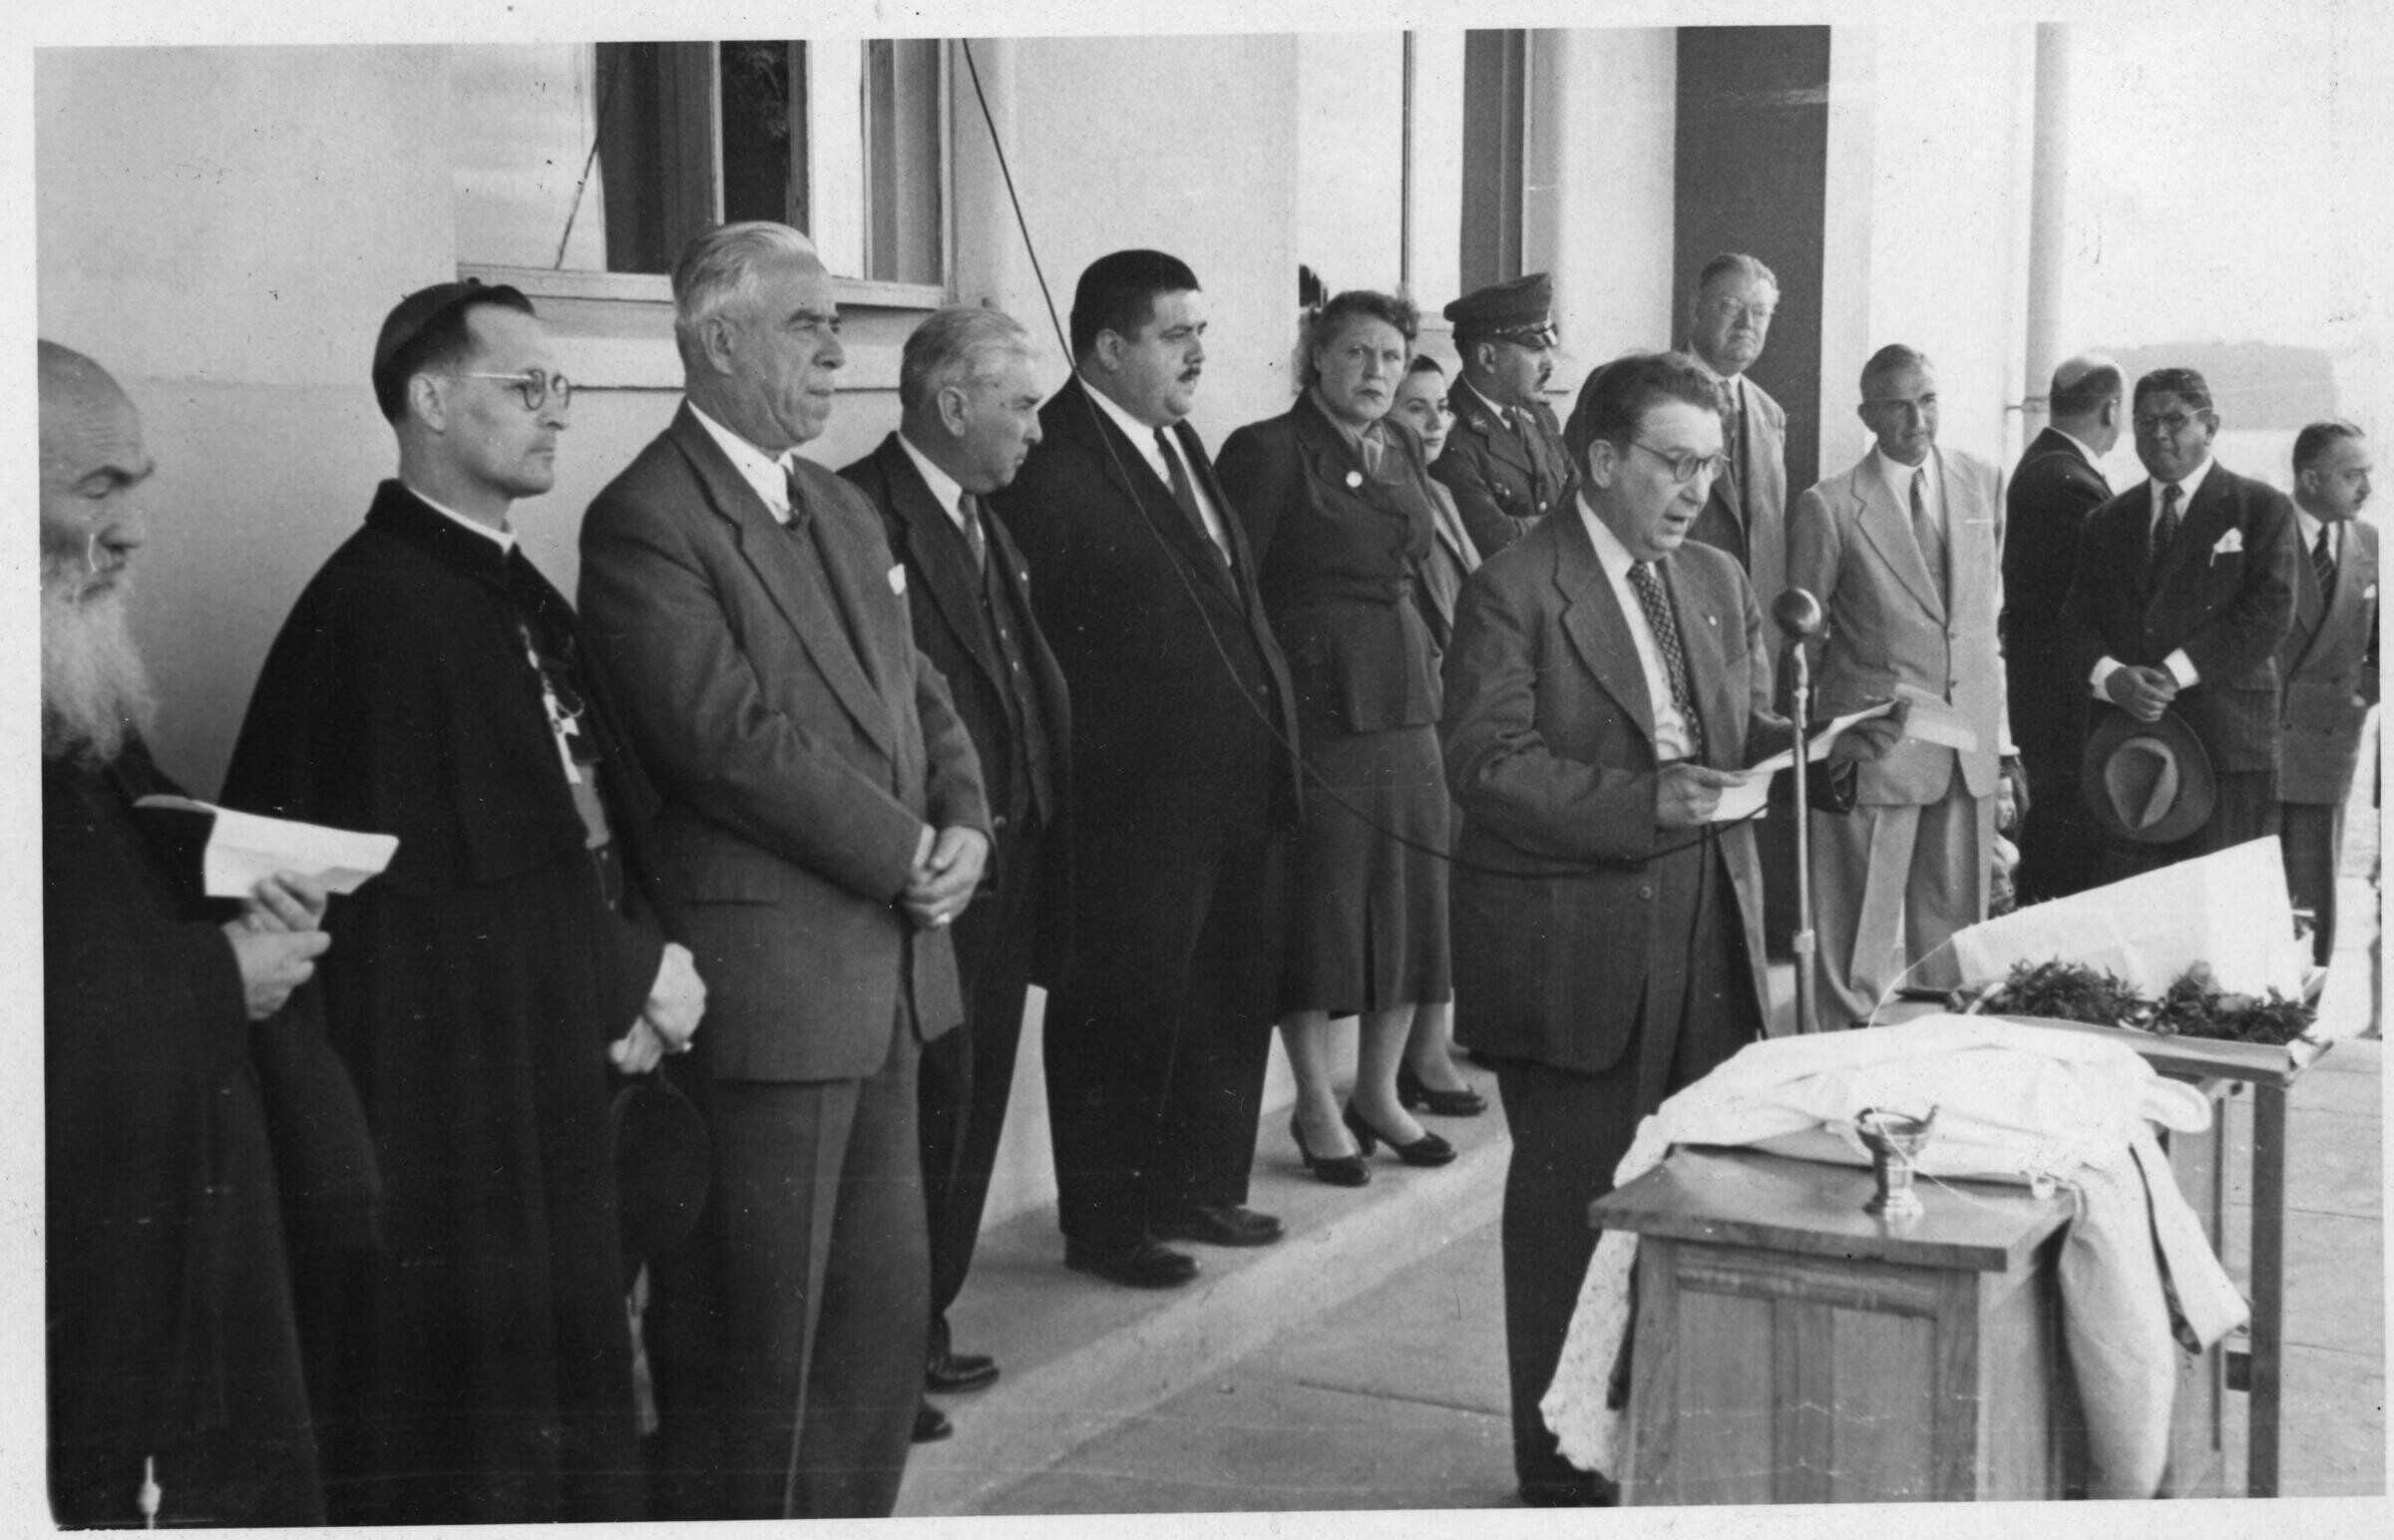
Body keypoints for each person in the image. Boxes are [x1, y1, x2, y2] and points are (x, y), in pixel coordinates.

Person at [221, 281, 703, 1523]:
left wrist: (642, 973)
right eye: (525, 387)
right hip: (463, 1120)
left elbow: (577, 823)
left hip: (566, 1066)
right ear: (430, 402)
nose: (557, 413)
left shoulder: (494, 583)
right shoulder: (382, 611)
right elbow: (425, 912)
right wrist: (627, 978)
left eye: (563, 388)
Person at [577, 222, 990, 1519]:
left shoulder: (846, 503)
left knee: (870, 1360)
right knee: (750, 1367)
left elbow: (919, 692)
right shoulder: (647, 519)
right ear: (717, 339)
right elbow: (723, 743)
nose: (837, 346)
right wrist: (907, 850)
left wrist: (966, 817)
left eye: (837, 324)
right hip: (773, 1000)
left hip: (889, 984)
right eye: (807, 322)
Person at [1442, 350, 1898, 1506]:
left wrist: (1824, 753)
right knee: (1575, 1214)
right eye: (1675, 462)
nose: (1698, 485)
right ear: (1600, 460)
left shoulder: (1710, 573)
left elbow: (1730, 728)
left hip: (1709, 932)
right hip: (1577, 944)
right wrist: (1642, 802)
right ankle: (1559, 1470)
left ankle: (1664, 1444)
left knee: (1699, 1206)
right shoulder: (1514, 585)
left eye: (1708, 463)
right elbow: (1485, 763)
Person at [42, 341, 375, 1528]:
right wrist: (218, 976)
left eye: (138, 486)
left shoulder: (57, 684)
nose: (131, 531)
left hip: (188, 1209)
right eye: (96, 489)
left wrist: (247, 893)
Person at [993, 249, 1300, 1289]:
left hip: (1233, 784)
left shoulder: (1180, 440)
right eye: (1177, 335)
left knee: (1223, 992)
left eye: (1200, 332)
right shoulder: (1051, 458)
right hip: (1130, 806)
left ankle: (1193, 1187)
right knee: (1121, 1005)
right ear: (1109, 346)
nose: (1200, 353)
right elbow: (1029, 642)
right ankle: (1108, 1219)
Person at [838, 306, 1070, 1444]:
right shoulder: (858, 512)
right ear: (951, 404)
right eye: (1021, 404)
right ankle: (892, 1349)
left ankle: (924, 1321)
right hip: (930, 866)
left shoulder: (983, 517)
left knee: (968, 1105)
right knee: (924, 1108)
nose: (1037, 425)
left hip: (1006, 855)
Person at [1218, 291, 1458, 1186]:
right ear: (1315, 357)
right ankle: (1317, 1105)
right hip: (1317, 705)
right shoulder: (1267, 451)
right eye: (1358, 354)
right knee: (1323, 904)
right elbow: (1236, 591)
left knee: (1410, 900)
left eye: (1393, 358)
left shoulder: (1397, 444)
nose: (1377, 375)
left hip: (1404, 693)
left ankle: (1380, 1093)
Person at [1787, 344, 2019, 1025]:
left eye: (1928, 400)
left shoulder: (1983, 483)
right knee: (1855, 941)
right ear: (1867, 414)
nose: (1916, 419)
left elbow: (1979, 624)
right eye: (1896, 404)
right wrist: (1835, 739)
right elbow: (1802, 636)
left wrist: (2000, 747)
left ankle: (1942, 1064)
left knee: (1956, 948)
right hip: (1878, 747)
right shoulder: (1828, 506)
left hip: (1966, 748)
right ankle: (1841, 1056)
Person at [2058, 367, 2299, 882]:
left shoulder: (2262, 508)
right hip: (2132, 750)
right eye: (2144, 422)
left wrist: (2172, 674)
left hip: (2230, 746)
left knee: (2224, 902)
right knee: (2134, 906)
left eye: (2174, 419)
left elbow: (2269, 613)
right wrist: (2111, 677)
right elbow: (2074, 622)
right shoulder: (2105, 521)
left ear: (2210, 427)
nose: (2158, 434)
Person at [1388, 354, 1487, 1118]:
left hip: (1458, 701)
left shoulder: (1443, 492)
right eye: (1416, 408)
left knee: (1448, 887)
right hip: (1415, 702)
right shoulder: (1390, 492)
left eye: (1441, 408)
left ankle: (1431, 1043)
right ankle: (1413, 1057)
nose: (1434, 424)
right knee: (1423, 890)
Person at [2003, 354, 2125, 903]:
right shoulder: (2069, 482)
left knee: (2056, 829)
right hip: (2066, 702)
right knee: (2064, 838)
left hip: (2045, 695)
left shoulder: (2047, 466)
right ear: (2111, 409)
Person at [2275, 420, 2378, 963]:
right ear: (2310, 478)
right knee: (2256, 891)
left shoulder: (2370, 542)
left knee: (2313, 893)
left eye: (2368, 474)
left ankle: (2304, 1014)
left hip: (2328, 744)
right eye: (2352, 475)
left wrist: (2359, 695)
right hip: (2260, 742)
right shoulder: (2265, 531)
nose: (2366, 488)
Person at [1430, 272, 1575, 558]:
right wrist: (1569, 527)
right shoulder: (1448, 436)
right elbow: (1498, 541)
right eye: (1535, 348)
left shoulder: (1542, 418)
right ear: (1487, 357)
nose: (1549, 364)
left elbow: (1586, 502)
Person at [1682, 253, 1793, 609]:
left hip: (1752, 628)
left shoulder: (1769, 413)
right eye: (1730, 307)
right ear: (1696, 308)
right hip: (1676, 613)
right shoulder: (1644, 390)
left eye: (1759, 313)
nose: (1747, 323)